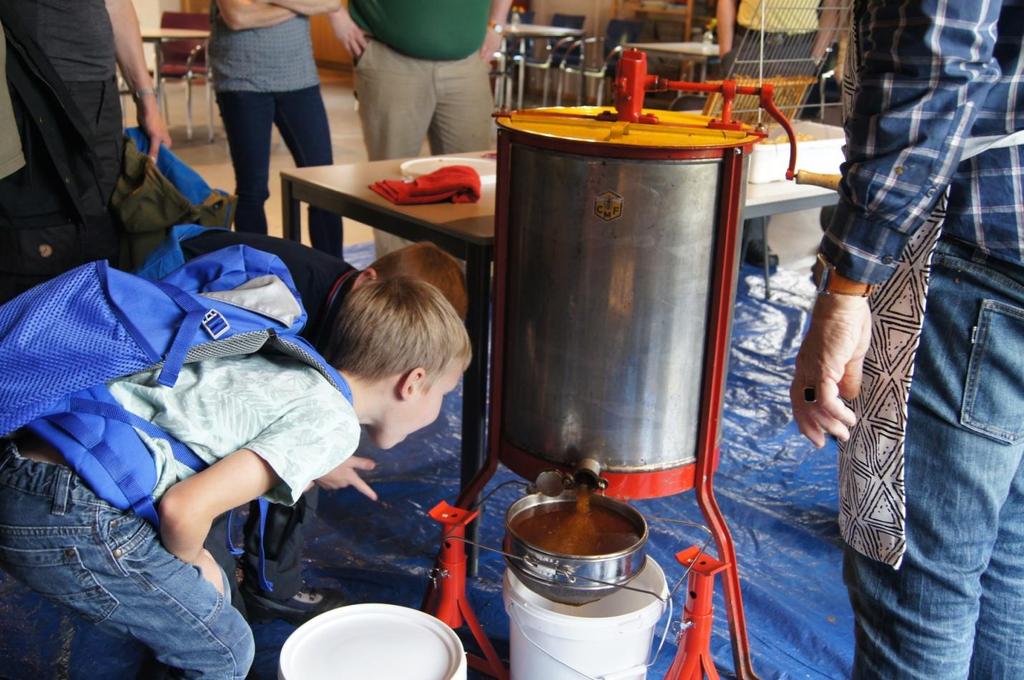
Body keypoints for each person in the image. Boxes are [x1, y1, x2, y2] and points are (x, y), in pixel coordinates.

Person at [0, 274, 471, 677]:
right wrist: (196, 561)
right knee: (224, 649)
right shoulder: (335, 425)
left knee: (207, 606)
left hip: (32, 456)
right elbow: (184, 508)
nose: (440, 409)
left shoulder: (292, 360)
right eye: (444, 393)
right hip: (71, 510)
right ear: (413, 383)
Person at [788, 2, 1024, 677]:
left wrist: (848, 285)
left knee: (920, 587)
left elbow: (934, 64)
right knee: (1008, 561)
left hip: (964, 264)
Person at [155, 229, 467, 623]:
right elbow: (187, 501)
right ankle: (234, 606)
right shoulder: (293, 299)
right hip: (164, 351)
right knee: (214, 615)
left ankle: (267, 586)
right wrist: (196, 573)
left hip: (176, 414)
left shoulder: (342, 348)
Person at [0, 0, 170, 302]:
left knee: (102, 224)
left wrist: (145, 96)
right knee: (46, 236)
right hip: (37, 87)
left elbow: (116, 4)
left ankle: (96, 329)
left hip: (100, 89)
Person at [329, 0, 511, 255]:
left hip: (467, 61)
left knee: (470, 183)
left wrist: (497, 25)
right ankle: (399, 287)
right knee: (390, 182)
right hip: (390, 57)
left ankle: (459, 286)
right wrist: (336, 13)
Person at [210, 0, 345, 256]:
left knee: (324, 186)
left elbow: (329, 3)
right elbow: (237, 17)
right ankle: (256, 275)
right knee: (253, 189)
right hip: (241, 81)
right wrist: (302, 5)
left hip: (300, 78)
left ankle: (335, 274)